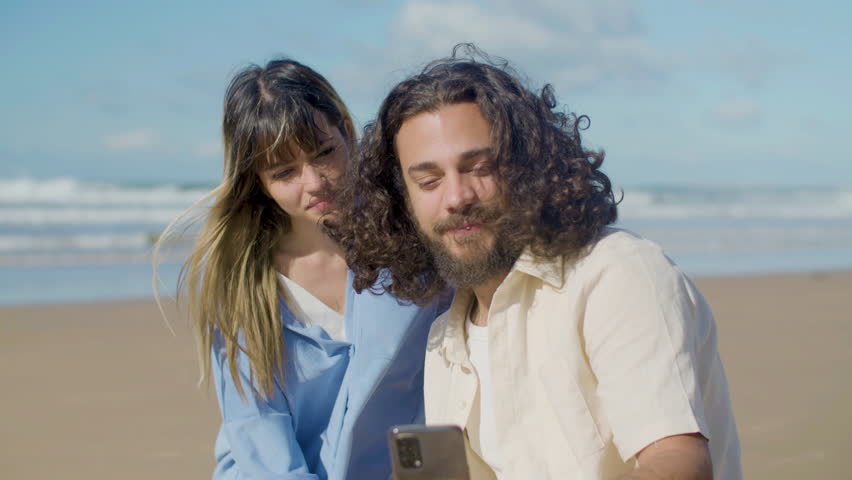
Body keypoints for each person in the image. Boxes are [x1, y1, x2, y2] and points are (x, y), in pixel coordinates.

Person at [334, 45, 742, 479]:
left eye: (479, 168)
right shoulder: (444, 341)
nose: (456, 198)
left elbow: (676, 462)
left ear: (529, 164)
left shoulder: (616, 273)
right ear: (404, 202)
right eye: (429, 181)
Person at [155, 59, 444, 480]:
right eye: (284, 172)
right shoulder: (246, 284)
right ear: (258, 180)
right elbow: (260, 435)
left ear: (346, 129)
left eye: (324, 153)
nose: (314, 182)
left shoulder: (411, 241)